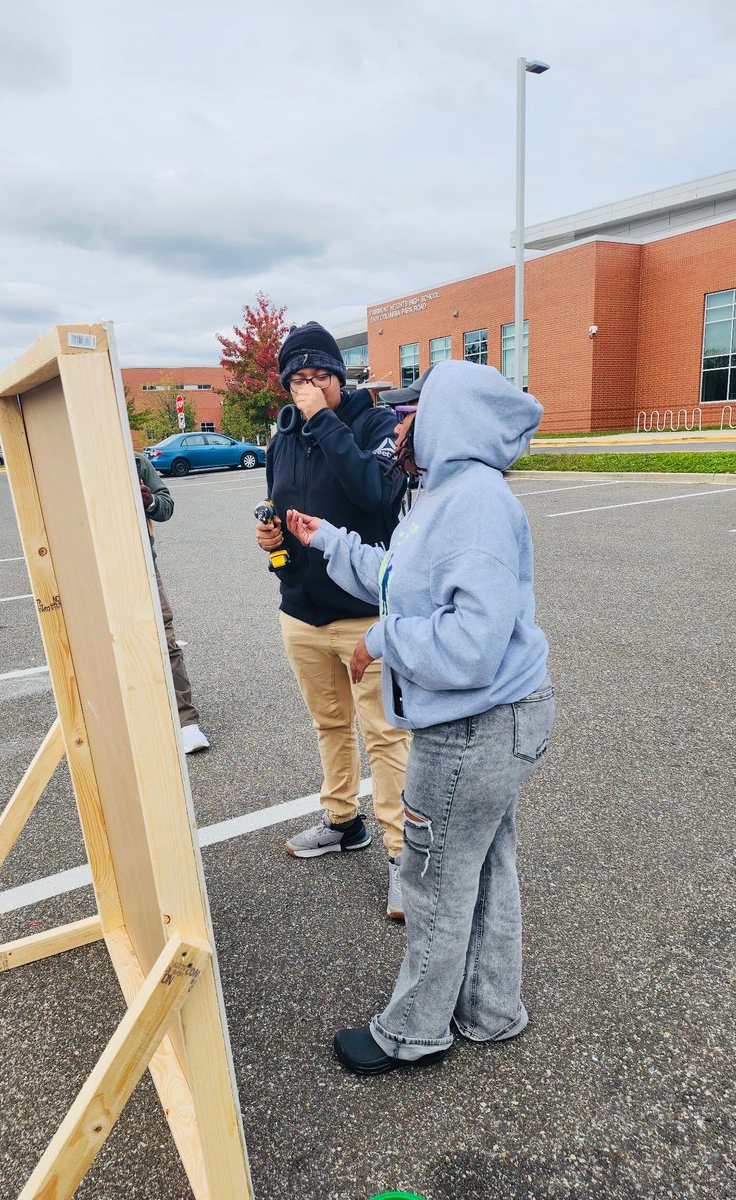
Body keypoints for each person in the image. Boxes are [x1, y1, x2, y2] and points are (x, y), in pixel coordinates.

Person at [285, 358, 555, 1075]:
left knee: (434, 877)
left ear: (448, 419)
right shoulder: (446, 495)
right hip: (493, 720)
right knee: (484, 864)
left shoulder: (475, 504)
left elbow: (471, 645)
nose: (400, 428)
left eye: (412, 414)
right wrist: (328, 540)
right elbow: (399, 581)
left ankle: (413, 1032)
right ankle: (491, 1010)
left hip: (475, 727)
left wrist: (382, 639)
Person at [256, 321, 410, 918]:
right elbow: (281, 501)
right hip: (302, 610)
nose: (310, 385)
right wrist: (271, 537)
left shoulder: (374, 424)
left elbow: (374, 494)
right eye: (299, 377)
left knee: (387, 735)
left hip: (364, 615)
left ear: (339, 378)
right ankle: (344, 821)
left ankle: (404, 857)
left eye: (321, 375)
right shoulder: (283, 435)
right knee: (330, 723)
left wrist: (324, 419)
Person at [136, 452, 210, 754]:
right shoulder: (71, 461)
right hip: (91, 571)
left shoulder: (135, 462)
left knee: (164, 638)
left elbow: (165, 506)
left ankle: (185, 721)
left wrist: (150, 501)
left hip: (142, 565)